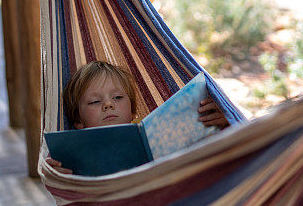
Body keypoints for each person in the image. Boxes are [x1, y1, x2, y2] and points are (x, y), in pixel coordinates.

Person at [46, 61, 229, 174]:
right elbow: (66, 186)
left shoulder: (155, 133)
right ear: (78, 121)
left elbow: (210, 155)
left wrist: (224, 123)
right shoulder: (75, 153)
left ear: (132, 111)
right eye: (94, 101)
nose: (108, 105)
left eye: (117, 97)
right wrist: (57, 171)